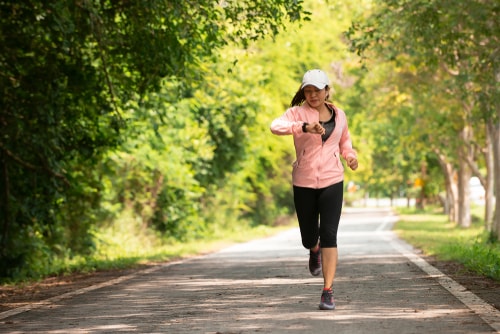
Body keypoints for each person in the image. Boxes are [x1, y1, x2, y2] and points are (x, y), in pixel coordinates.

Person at [270, 69, 358, 310]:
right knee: (309, 236)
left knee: (330, 234)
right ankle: (313, 248)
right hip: (304, 182)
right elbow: (275, 126)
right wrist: (303, 127)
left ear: (326, 91)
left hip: (333, 180)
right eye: (307, 91)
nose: (312, 95)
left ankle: (327, 290)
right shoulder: (297, 113)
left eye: (316, 91)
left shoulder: (339, 115)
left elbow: (345, 142)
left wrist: (350, 156)